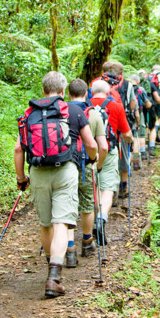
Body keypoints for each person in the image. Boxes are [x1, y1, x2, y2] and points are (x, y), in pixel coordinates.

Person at [15, 71, 97, 299]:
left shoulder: (29, 112)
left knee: (46, 223)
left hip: (38, 171)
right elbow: (90, 143)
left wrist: (21, 178)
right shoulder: (73, 110)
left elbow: (18, 149)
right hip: (65, 171)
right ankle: (54, 278)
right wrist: (93, 158)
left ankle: (49, 266)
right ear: (63, 92)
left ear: (43, 90)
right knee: (62, 222)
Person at [66, 78, 108, 268]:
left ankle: (69, 247)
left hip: (65, 167)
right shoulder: (93, 114)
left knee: (66, 206)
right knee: (87, 205)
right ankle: (86, 241)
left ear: (68, 94)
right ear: (86, 94)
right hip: (87, 166)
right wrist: (97, 164)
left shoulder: (61, 111)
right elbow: (103, 146)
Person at [90, 80, 133, 228]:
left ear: (91, 91)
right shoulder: (116, 106)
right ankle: (101, 218)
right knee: (107, 187)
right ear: (108, 92)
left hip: (88, 151)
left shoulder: (85, 105)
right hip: (109, 149)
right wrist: (130, 140)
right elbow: (126, 133)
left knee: (93, 184)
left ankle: (93, 215)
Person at [130, 74, 151, 162]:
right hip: (139, 113)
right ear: (138, 81)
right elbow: (147, 104)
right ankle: (139, 155)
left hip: (128, 114)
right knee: (140, 135)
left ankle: (131, 158)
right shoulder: (141, 89)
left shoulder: (126, 88)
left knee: (131, 135)